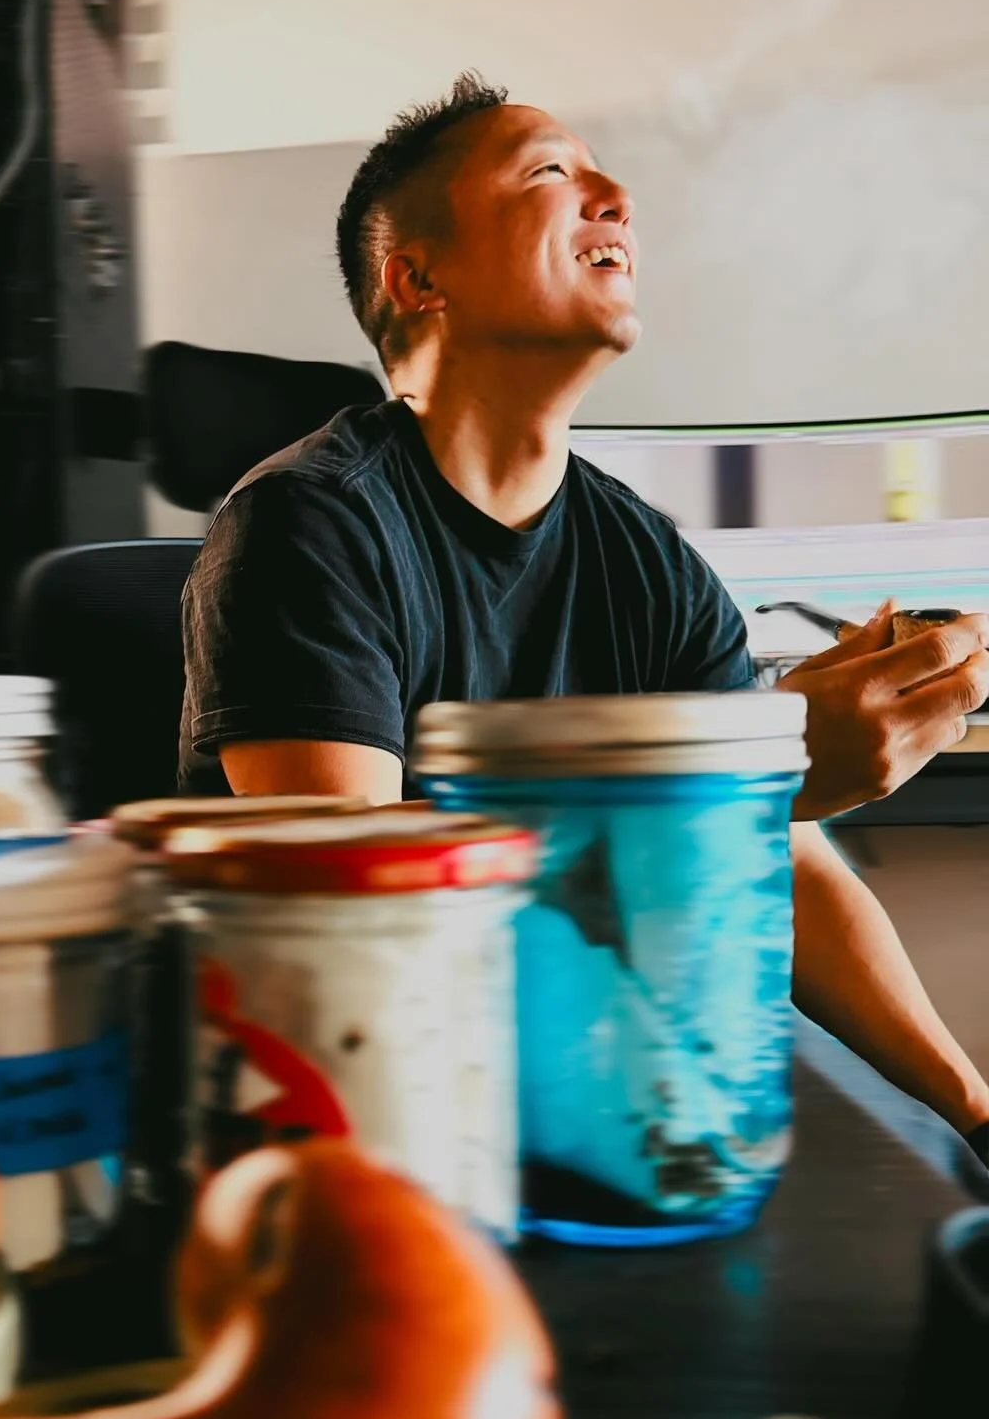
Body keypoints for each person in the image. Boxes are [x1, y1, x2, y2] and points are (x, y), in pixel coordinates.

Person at [180, 73, 989, 1164]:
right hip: (356, 1133)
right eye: (552, 172)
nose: (615, 196)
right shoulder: (303, 528)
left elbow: (793, 872)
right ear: (417, 278)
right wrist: (735, 787)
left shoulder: (649, 559)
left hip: (585, 1084)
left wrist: (974, 1113)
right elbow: (352, 926)